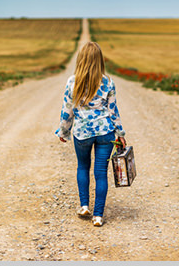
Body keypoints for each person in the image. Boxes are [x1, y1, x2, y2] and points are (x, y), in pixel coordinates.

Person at [55, 41, 126, 227]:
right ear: (99, 61)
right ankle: (98, 216)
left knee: (83, 167)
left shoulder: (73, 81)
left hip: (82, 133)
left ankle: (84, 205)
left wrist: (64, 130)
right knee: (101, 173)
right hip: (106, 133)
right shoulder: (108, 82)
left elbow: (67, 110)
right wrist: (120, 132)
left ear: (81, 60)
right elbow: (113, 111)